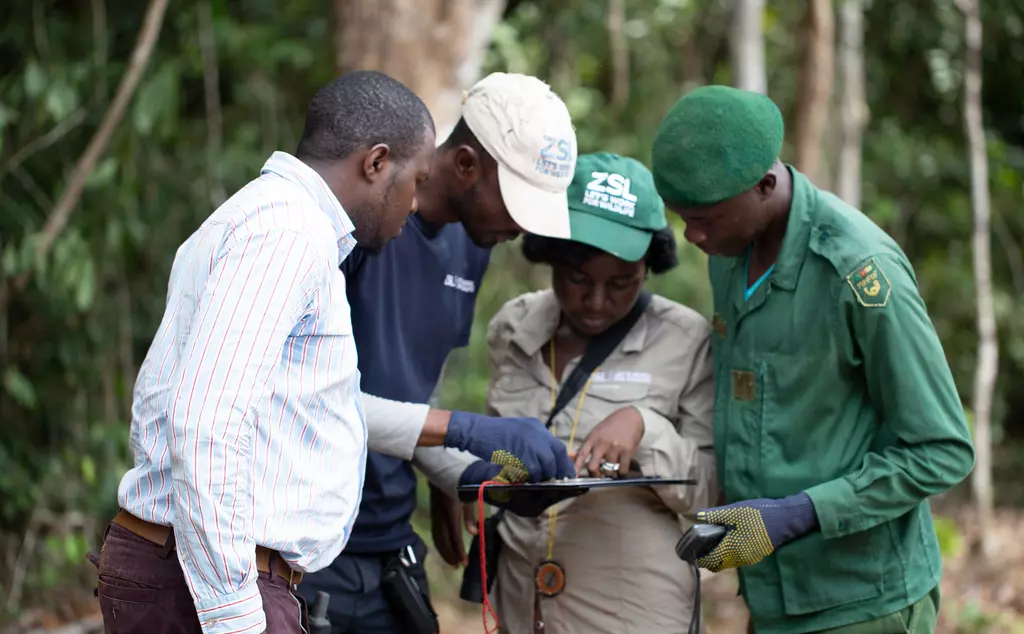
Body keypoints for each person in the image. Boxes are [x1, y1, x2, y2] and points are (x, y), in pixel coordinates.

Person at [96, 70, 574, 634]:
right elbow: (205, 422)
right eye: (414, 181)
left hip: (267, 562)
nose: (416, 201)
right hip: (222, 573)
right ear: (376, 164)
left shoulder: (296, 229)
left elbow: (314, 404)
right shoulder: (287, 235)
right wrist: (234, 616)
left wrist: (460, 476)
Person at [649, 84, 975, 634]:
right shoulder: (731, 256)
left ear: (765, 186)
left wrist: (795, 515)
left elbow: (942, 449)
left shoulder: (859, 271)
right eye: (682, 217)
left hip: (862, 602)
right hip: (772, 597)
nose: (693, 236)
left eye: (705, 218)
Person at [295, 71, 581, 634]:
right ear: (468, 165)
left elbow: (410, 395)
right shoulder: (353, 225)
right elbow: (307, 402)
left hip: (387, 537)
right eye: (517, 202)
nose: (522, 228)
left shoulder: (471, 244)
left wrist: (466, 480)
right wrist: (461, 430)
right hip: (306, 539)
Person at [475, 152, 718, 633]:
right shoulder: (514, 328)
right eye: (578, 279)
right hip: (522, 604)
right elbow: (492, 448)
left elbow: (711, 494)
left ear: (649, 267)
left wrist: (645, 429)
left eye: (621, 283)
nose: (596, 301)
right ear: (548, 254)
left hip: (631, 612)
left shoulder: (686, 340)